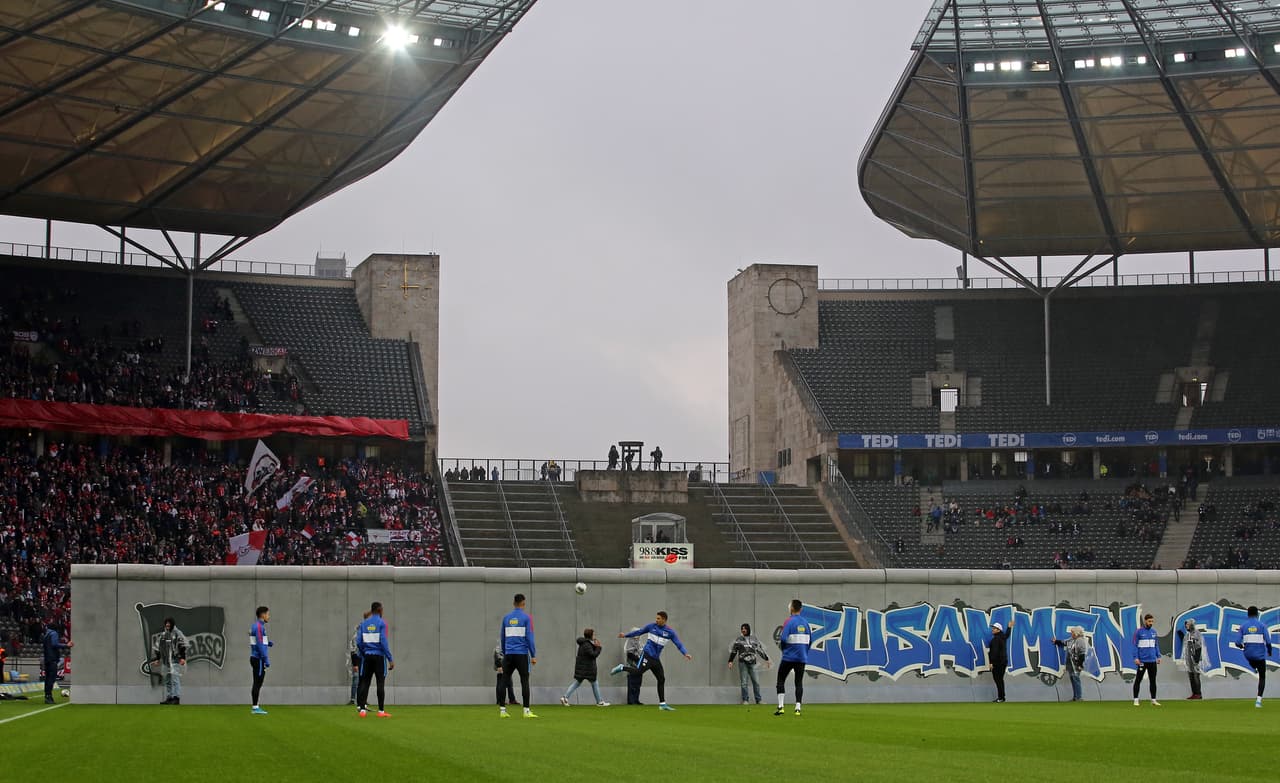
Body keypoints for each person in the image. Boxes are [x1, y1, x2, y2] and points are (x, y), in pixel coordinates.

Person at [611, 611, 692, 711]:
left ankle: (662, 704)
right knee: (638, 672)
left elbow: (678, 644)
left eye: (658, 618)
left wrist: (685, 653)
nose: (656, 620)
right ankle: (622, 667)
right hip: (647, 655)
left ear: (664, 620)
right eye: (656, 618)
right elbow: (639, 632)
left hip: (656, 659)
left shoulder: (670, 632)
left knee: (661, 679)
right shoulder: (651, 626)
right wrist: (625, 635)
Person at [498, 593, 537, 718]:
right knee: (524, 681)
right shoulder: (527, 618)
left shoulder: (506, 618)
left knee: (504, 681)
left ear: (514, 603)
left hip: (509, 654)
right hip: (521, 655)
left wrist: (505, 651)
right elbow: (529, 637)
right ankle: (526, 711)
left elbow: (502, 637)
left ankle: (502, 711)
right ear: (523, 603)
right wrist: (533, 654)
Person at [356, 601, 394, 717]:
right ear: (379, 610)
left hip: (367, 656)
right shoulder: (382, 623)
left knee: (365, 682)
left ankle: (362, 710)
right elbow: (383, 641)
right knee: (380, 683)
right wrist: (390, 658)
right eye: (382, 609)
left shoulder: (364, 624)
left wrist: (364, 652)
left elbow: (358, 642)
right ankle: (381, 711)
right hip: (379, 657)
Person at [1233, 605, 1274, 708]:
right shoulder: (1262, 625)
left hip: (1248, 655)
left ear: (1248, 614)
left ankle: (1253, 667)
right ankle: (1258, 701)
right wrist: (1269, 651)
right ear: (1257, 614)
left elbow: (1237, 642)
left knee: (1252, 660)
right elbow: (1268, 642)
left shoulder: (1243, 626)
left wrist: (1242, 646)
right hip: (1260, 656)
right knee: (1262, 677)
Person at [775, 600, 810, 716]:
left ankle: (781, 707)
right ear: (800, 609)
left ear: (791, 608)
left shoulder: (789, 622)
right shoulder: (805, 622)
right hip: (801, 658)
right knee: (799, 682)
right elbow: (811, 640)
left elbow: (784, 638)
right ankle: (798, 708)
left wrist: (785, 650)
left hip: (789, 657)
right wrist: (804, 651)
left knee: (781, 679)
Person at [560, 628, 608, 706]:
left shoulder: (584, 644)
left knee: (577, 683)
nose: (594, 635)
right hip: (587, 669)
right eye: (593, 634)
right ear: (590, 635)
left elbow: (590, 654)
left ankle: (565, 697)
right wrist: (598, 647)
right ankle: (600, 702)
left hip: (583, 668)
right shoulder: (587, 645)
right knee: (594, 683)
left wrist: (595, 646)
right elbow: (593, 655)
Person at [728, 622, 770, 705]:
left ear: (748, 629)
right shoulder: (739, 639)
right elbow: (734, 651)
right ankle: (745, 700)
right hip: (742, 663)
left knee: (756, 682)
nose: (743, 630)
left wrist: (766, 659)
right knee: (744, 682)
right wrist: (730, 661)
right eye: (742, 628)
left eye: (745, 628)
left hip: (753, 663)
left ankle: (758, 700)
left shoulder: (754, 639)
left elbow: (759, 650)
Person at [149, 617, 187, 705]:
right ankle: (170, 697)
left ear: (172, 624)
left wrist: (183, 658)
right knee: (167, 680)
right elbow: (158, 647)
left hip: (175, 659)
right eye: (166, 623)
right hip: (166, 661)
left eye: (169, 623)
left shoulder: (177, 633)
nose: (167, 625)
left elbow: (182, 645)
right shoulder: (163, 635)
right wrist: (158, 659)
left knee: (175, 679)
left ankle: (176, 698)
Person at [1131, 613, 1161, 706]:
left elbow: (1156, 645)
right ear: (1145, 621)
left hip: (1152, 661)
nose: (1151, 623)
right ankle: (1136, 699)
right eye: (1149, 621)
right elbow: (1134, 645)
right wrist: (1135, 657)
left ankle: (1153, 700)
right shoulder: (1138, 632)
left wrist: (1158, 656)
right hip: (1142, 661)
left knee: (1153, 680)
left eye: (1152, 621)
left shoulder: (1154, 632)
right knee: (1138, 680)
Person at [1052, 626, 1088, 701]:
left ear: (1076, 633)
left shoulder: (1080, 640)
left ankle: (1079, 697)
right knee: (1073, 679)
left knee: (1076, 678)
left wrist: (1080, 665)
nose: (1071, 634)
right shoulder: (1072, 639)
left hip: (1076, 663)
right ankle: (1075, 696)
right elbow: (1064, 642)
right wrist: (1056, 641)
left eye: (1072, 632)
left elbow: (1082, 653)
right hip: (1070, 663)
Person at [41, 623, 73, 705]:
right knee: (51, 679)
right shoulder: (53, 633)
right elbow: (54, 644)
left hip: (47, 659)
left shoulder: (46, 635)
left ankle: (47, 695)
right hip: (52, 659)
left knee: (47, 679)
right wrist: (67, 645)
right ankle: (49, 696)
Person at [249, 606, 272, 715]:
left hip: (256, 658)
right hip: (258, 659)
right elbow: (259, 644)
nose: (269, 616)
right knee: (257, 683)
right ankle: (255, 707)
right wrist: (265, 659)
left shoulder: (257, 626)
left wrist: (268, 642)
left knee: (257, 683)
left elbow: (259, 640)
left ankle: (255, 707)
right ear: (262, 615)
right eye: (267, 614)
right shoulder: (259, 627)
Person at [1176, 619, 1205, 700]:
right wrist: (1181, 634)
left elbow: (1198, 646)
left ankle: (1198, 693)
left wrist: (1196, 659)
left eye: (1187, 625)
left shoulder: (1196, 633)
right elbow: (1186, 642)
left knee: (1196, 676)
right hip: (1189, 659)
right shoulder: (1188, 635)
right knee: (1191, 676)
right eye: (1186, 626)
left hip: (1195, 658)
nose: (1186, 627)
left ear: (1192, 625)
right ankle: (1194, 693)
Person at [989, 620, 1013, 703]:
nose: (992, 629)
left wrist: (991, 662)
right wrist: (1009, 627)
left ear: (998, 630)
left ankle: (1001, 697)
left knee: (998, 679)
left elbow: (994, 652)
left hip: (998, 662)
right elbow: (1007, 635)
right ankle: (1002, 697)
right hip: (1003, 661)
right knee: (1000, 680)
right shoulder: (1002, 637)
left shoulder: (996, 639)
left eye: (994, 628)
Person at [623, 630, 644, 704]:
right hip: (632, 667)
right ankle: (631, 700)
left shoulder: (640, 643)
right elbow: (629, 654)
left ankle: (636, 699)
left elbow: (642, 652)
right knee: (631, 684)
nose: (637, 638)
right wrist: (639, 659)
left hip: (639, 667)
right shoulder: (629, 643)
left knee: (638, 684)